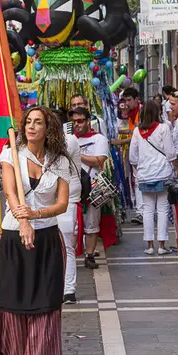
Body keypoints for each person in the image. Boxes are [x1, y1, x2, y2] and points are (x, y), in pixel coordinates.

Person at [0, 105, 71, 355]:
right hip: (13, 238)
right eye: (28, 122)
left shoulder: (60, 161)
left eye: (38, 122)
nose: (31, 126)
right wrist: (23, 221)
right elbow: (10, 193)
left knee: (46, 308)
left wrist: (36, 215)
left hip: (47, 239)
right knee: (11, 306)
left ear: (49, 129)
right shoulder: (10, 153)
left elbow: (61, 204)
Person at [129, 100, 177, 255]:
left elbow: (132, 157)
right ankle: (162, 245)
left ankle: (150, 245)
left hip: (144, 175)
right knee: (162, 209)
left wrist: (140, 169)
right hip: (162, 173)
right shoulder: (164, 128)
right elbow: (170, 152)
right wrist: (176, 167)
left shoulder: (137, 131)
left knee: (148, 210)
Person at [72, 107, 108, 269]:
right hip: (73, 186)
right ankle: (70, 255)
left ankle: (90, 255)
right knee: (72, 223)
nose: (77, 125)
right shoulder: (69, 139)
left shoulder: (99, 139)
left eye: (80, 121)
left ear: (88, 121)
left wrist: (78, 155)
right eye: (74, 122)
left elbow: (99, 160)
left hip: (93, 186)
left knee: (92, 223)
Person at [53, 109, 82, 305]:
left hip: (68, 197)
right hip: (49, 199)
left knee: (66, 245)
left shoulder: (69, 140)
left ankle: (69, 289)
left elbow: (55, 161)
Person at [120, 88, 144, 224]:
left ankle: (141, 212)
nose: (127, 103)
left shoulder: (140, 113)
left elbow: (137, 134)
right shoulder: (131, 113)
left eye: (129, 100)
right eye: (125, 100)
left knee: (139, 181)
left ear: (136, 99)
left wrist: (119, 141)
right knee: (136, 181)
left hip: (142, 152)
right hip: (135, 151)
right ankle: (140, 210)